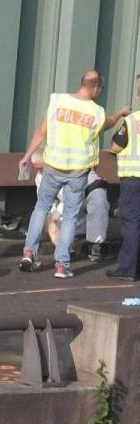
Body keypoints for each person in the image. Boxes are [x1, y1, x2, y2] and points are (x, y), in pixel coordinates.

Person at [18, 70, 130, 278]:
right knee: (70, 216)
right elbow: (107, 124)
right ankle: (62, 265)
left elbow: (41, 131)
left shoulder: (57, 101)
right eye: (101, 89)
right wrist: (120, 113)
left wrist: (28, 155)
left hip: (52, 166)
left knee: (40, 208)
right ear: (95, 87)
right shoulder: (96, 112)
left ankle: (28, 253)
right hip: (77, 172)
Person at [32, 151, 110, 262]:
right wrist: (53, 214)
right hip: (66, 209)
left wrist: (59, 210)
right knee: (50, 218)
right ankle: (64, 250)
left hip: (84, 199)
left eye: (42, 167)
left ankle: (95, 245)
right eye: (37, 168)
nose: (40, 171)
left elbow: (77, 192)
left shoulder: (68, 168)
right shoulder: (40, 177)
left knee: (99, 200)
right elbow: (45, 201)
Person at [105, 74, 140, 281]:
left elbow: (116, 146)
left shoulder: (131, 120)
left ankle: (127, 268)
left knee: (131, 222)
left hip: (133, 178)